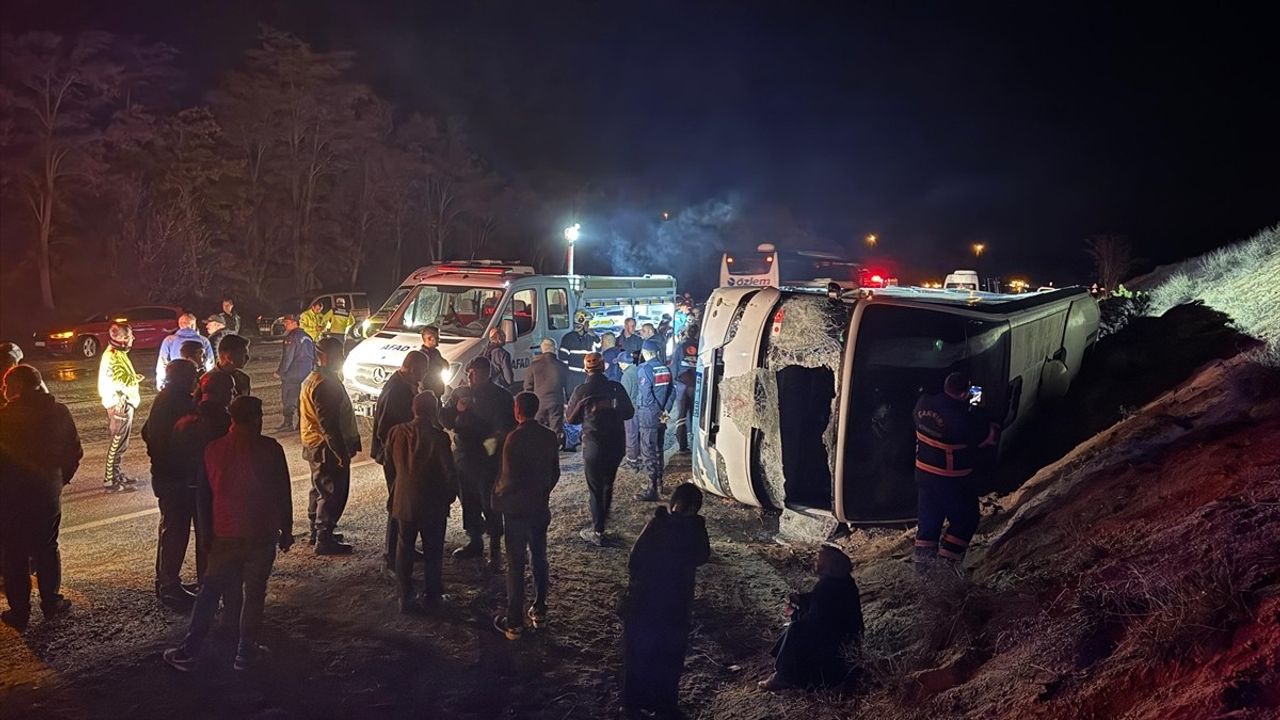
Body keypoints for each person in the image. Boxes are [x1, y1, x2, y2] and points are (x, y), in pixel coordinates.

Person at [163, 396, 293, 673]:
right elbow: (283, 491)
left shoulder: (213, 450)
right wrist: (287, 528)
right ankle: (245, 653)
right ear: (256, 418)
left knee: (209, 594)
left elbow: (203, 497)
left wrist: (206, 535)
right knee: (254, 595)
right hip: (261, 534)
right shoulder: (271, 449)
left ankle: (189, 651)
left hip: (225, 535)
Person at [0, 365, 83, 630]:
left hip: (11, 497)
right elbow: (74, 452)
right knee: (47, 547)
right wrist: (59, 479)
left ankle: (19, 611)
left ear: (19, 387)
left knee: (14, 554)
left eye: (6, 385)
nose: (3, 390)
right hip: (46, 492)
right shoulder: (58, 411)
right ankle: (51, 602)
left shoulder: (4, 418)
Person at [622, 483, 711, 717]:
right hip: (675, 606)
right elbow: (703, 555)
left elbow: (635, 560)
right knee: (670, 656)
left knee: (639, 654)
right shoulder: (693, 531)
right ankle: (664, 704)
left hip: (644, 603)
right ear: (693, 508)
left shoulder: (656, 524)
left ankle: (632, 704)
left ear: (673, 503)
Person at [911, 371, 998, 568]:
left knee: (929, 523)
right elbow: (989, 437)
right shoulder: (963, 421)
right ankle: (947, 567)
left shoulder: (922, 403)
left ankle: (922, 569)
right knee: (965, 521)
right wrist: (979, 409)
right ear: (963, 394)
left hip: (924, 475)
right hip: (952, 480)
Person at [491, 392, 560, 640]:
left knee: (516, 563)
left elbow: (507, 478)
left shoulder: (514, 438)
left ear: (517, 410)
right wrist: (542, 493)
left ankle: (514, 622)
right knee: (539, 557)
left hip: (517, 510)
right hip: (539, 507)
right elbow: (555, 472)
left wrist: (496, 497)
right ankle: (540, 610)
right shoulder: (549, 436)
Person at [386, 391, 457, 614]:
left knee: (404, 548)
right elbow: (448, 471)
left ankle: (404, 596)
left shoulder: (396, 432)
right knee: (433, 551)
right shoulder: (439, 437)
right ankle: (432, 594)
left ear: (413, 409)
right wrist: (450, 495)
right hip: (432, 502)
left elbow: (388, 463)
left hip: (403, 501)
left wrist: (397, 490)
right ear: (434, 411)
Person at [440, 357, 515, 570]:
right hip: (464, 457)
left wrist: (489, 449)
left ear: (486, 373)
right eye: (469, 372)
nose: (470, 376)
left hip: (487, 461)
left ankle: (495, 550)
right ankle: (474, 541)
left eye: (475, 373)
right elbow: (444, 419)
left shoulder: (501, 397)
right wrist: (457, 410)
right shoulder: (460, 393)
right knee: (468, 500)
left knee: (490, 503)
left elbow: (504, 430)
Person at [759, 545, 864, 691]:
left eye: (819, 560)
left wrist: (793, 613)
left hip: (835, 645)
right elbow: (825, 605)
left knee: (796, 629)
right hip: (847, 640)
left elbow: (814, 623)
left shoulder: (826, 587)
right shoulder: (844, 581)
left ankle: (783, 676)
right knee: (797, 628)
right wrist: (802, 599)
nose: (815, 562)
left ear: (829, 566)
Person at [142, 360, 201, 610]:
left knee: (170, 529)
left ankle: (166, 582)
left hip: (166, 474)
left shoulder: (163, 399)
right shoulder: (179, 403)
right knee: (175, 532)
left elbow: (146, 432)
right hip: (176, 477)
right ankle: (169, 587)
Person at [174, 370, 236, 589]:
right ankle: (217, 590)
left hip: (189, 484)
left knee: (204, 538)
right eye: (230, 390)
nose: (232, 394)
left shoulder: (188, 415)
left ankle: (206, 585)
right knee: (218, 540)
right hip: (215, 488)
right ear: (220, 392)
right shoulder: (225, 421)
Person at [301, 337, 362, 555]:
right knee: (332, 491)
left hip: (314, 443)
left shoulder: (313, 378)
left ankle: (316, 532)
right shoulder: (326, 384)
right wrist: (341, 453)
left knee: (318, 488)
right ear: (323, 357)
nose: (342, 359)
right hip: (326, 447)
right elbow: (329, 424)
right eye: (338, 355)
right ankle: (324, 538)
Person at [371, 351, 430, 574]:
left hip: (400, 455)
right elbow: (386, 428)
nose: (424, 375)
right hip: (396, 457)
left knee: (402, 501)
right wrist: (396, 454)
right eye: (423, 370)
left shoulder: (403, 385)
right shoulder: (396, 390)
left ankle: (404, 549)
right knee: (398, 502)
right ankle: (392, 554)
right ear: (414, 368)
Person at [566, 352, 634, 545]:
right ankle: (602, 524)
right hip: (616, 444)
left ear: (586, 369)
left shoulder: (582, 391)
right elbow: (629, 412)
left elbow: (570, 418)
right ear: (604, 366)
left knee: (595, 488)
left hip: (594, 445)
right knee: (607, 484)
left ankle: (598, 530)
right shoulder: (615, 387)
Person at [99, 322, 143, 492]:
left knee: (121, 443)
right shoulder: (113, 355)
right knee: (117, 442)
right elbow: (118, 379)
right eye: (130, 336)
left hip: (123, 402)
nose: (133, 338)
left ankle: (116, 474)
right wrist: (133, 380)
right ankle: (110, 480)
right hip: (119, 404)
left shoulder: (118, 352)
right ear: (121, 338)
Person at [634, 339, 675, 501]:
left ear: (645, 353)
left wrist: (657, 412)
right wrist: (665, 410)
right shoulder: (665, 368)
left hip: (649, 415)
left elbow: (646, 395)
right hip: (661, 415)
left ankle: (651, 490)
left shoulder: (645, 370)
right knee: (659, 449)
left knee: (648, 450)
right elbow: (672, 391)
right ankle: (659, 483)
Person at [273, 313, 315, 432]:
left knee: (288, 398)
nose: (285, 325)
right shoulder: (307, 336)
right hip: (306, 373)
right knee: (302, 399)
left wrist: (280, 372)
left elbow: (288, 358)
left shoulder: (291, 337)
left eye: (287, 323)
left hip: (293, 373)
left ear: (294, 323)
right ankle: (302, 424)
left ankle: (288, 423)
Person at [524, 338, 569, 448]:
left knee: (538, 429)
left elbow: (527, 387)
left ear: (542, 349)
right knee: (556, 429)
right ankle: (554, 450)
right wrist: (567, 401)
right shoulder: (562, 366)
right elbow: (567, 386)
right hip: (556, 402)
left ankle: (539, 448)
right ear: (555, 349)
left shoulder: (534, 366)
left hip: (539, 403)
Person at [156, 314, 214, 389]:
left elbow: (163, 362)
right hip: (197, 382)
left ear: (180, 324)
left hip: (175, 381)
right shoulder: (204, 340)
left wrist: (161, 383)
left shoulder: (169, 340)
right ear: (193, 325)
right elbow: (210, 363)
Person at [670, 324, 699, 453]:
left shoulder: (681, 347)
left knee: (682, 415)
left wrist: (675, 380)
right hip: (697, 384)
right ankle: (696, 442)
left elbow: (674, 365)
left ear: (687, 333)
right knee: (696, 413)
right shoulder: (701, 346)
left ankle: (682, 445)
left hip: (682, 384)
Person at [558, 310, 598, 389]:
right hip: (573, 378)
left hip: (588, 376)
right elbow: (563, 358)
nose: (589, 325)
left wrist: (595, 337)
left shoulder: (591, 337)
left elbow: (599, 351)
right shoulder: (568, 338)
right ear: (582, 323)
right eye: (588, 323)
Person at [209, 333, 252, 399]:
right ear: (229, 356)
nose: (248, 358)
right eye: (243, 354)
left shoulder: (244, 379)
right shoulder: (209, 381)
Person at [620, 350, 643, 470]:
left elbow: (625, 395)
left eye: (619, 362)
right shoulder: (638, 370)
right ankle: (639, 457)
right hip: (640, 407)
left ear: (624, 363)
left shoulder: (626, 375)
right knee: (638, 433)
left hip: (631, 409)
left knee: (630, 434)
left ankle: (632, 461)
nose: (619, 365)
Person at [418, 325, 450, 400]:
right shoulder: (422, 357)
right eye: (436, 338)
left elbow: (445, 365)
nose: (439, 340)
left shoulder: (435, 352)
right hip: (428, 395)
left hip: (437, 392)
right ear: (429, 338)